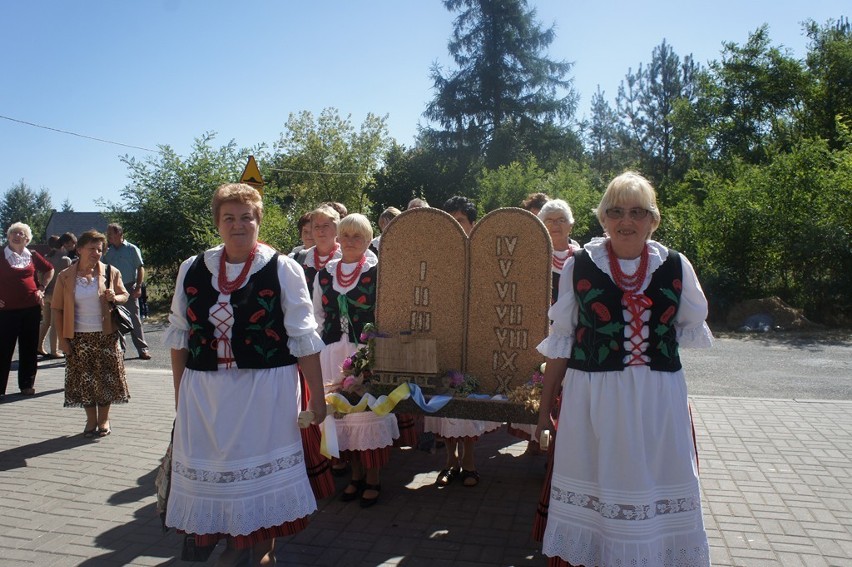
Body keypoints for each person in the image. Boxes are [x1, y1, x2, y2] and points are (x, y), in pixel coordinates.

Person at [535, 171, 712, 566]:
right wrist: (545, 409)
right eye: (616, 211)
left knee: (655, 490)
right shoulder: (578, 266)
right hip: (592, 399)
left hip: (657, 403)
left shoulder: (677, 266)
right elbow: (562, 342)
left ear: (653, 219)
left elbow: (685, 327)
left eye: (637, 212)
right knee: (596, 491)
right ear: (603, 218)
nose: (626, 221)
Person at [165, 183, 327, 566]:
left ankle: (257, 548)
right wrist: (178, 395)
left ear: (259, 220)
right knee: (218, 478)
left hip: (264, 392)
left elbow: (304, 338)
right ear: (217, 223)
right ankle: (241, 545)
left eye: (246, 217)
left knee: (257, 479)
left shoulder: (282, 268)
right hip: (204, 392)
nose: (238, 225)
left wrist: (318, 400)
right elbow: (178, 336)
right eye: (229, 218)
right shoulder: (192, 267)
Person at [313, 213, 399, 507]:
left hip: (366, 354)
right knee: (342, 417)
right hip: (332, 352)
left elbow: (386, 314)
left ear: (367, 241)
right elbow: (317, 316)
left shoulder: (379, 272)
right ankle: (355, 475)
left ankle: (373, 477)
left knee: (368, 413)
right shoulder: (324, 274)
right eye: (346, 235)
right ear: (338, 237)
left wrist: (376, 352)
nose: (350, 241)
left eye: (358, 237)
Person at [423, 197, 500, 488]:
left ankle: (469, 460)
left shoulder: (484, 254)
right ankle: (449, 460)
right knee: (443, 397)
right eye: (451, 220)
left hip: (475, 335)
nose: (456, 226)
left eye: (461, 221)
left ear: (472, 224)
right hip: (444, 334)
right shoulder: (437, 253)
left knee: (469, 395)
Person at [52, 229, 130, 437]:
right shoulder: (65, 276)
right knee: (85, 381)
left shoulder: (111, 272)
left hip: (106, 335)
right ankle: (90, 421)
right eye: (92, 249)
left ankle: (104, 420)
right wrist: (63, 340)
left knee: (105, 380)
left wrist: (116, 297)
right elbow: (57, 309)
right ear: (79, 250)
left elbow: (125, 295)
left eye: (100, 249)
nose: (96, 253)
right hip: (78, 337)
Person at [0, 222, 54, 400]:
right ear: (8, 237)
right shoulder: (1, 254)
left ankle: (27, 384)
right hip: (6, 311)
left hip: (31, 309)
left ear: (27, 238)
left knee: (29, 348)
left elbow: (49, 269)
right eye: (13, 233)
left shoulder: (32, 255)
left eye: (21, 233)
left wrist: (42, 288)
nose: (17, 236)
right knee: (3, 349)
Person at [103, 223, 151, 360]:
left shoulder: (132, 249)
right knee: (117, 319)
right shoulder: (108, 252)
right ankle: (120, 351)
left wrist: (138, 287)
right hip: (113, 289)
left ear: (119, 234)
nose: (108, 236)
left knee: (134, 319)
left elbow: (140, 268)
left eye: (111, 234)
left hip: (129, 287)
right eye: (108, 234)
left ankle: (142, 350)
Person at [38, 235, 73, 358]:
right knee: (55, 323)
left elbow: (40, 275)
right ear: (62, 245)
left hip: (45, 293)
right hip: (57, 294)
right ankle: (54, 350)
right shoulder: (65, 260)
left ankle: (39, 346)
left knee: (45, 322)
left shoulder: (46, 258)